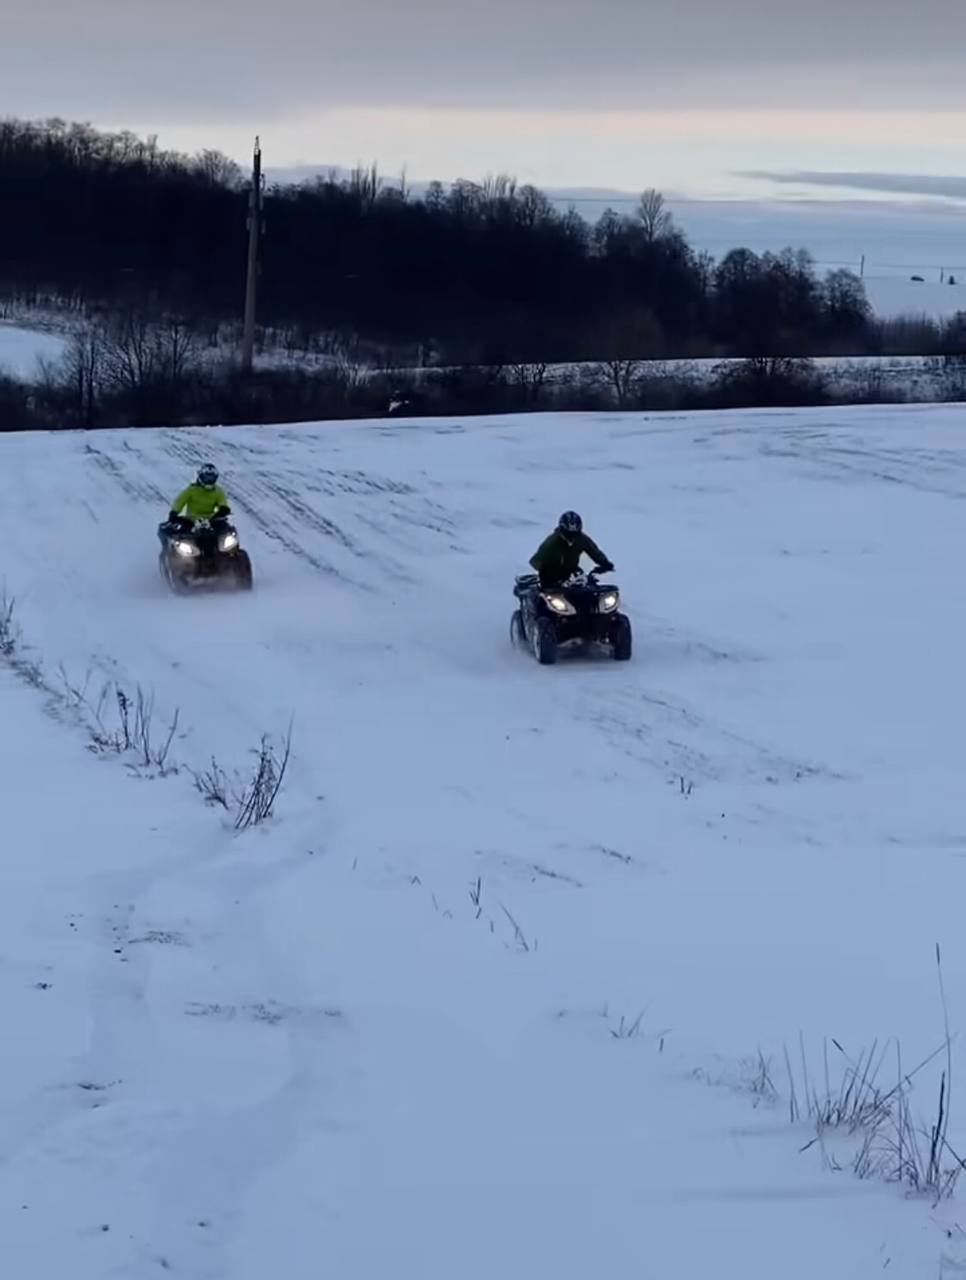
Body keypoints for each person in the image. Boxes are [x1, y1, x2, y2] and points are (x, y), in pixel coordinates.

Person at [529, 511, 613, 588]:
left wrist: (604, 563)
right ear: (562, 530)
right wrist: (545, 570)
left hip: (572, 573)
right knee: (546, 597)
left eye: (575, 534)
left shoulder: (581, 539)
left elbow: (593, 550)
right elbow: (535, 561)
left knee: (588, 590)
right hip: (551, 576)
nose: (572, 537)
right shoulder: (552, 542)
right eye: (568, 534)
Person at [167, 464, 231, 528]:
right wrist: (174, 512)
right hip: (191, 521)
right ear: (201, 477)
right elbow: (179, 502)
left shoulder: (218, 491)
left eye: (211, 478)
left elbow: (223, 503)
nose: (209, 481)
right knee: (181, 534)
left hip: (211, 521)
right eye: (207, 478)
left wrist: (223, 510)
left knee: (227, 530)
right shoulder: (192, 490)